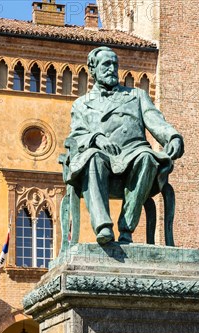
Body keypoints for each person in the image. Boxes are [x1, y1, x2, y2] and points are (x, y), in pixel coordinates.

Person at [64, 46, 184, 244]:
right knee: (92, 159)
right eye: (106, 64)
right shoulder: (81, 104)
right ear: (92, 69)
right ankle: (103, 227)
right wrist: (96, 138)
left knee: (148, 157)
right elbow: (76, 136)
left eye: (115, 64)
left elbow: (156, 121)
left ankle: (127, 229)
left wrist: (173, 137)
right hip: (101, 156)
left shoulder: (136, 96)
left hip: (133, 153)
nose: (112, 68)